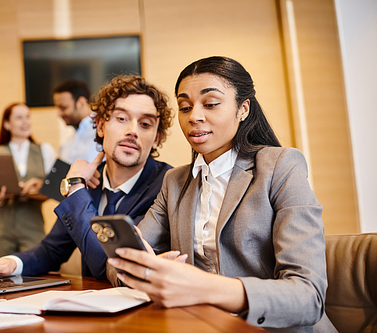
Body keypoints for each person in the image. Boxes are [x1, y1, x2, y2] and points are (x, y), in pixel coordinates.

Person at [107, 57, 337, 332]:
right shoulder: (175, 181)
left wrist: (204, 288)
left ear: (243, 109)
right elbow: (117, 263)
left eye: (211, 104)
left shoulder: (281, 166)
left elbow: (307, 297)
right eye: (185, 107)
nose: (194, 116)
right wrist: (146, 269)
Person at [0, 75, 174, 280]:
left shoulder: (166, 186)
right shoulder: (90, 181)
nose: (132, 131)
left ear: (156, 139)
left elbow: (109, 265)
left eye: (145, 124)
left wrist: (75, 188)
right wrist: (11, 263)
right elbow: (51, 250)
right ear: (101, 126)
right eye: (122, 119)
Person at [0, 102, 56, 257]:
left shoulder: (45, 151)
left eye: (27, 117)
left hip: (33, 226)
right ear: (7, 124)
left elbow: (55, 189)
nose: (25, 122)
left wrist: (38, 187)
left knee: (35, 273)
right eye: (19, 118)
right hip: (1, 229)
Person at [53, 79, 99, 164]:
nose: (59, 114)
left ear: (81, 103)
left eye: (63, 108)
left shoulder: (102, 134)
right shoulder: (68, 143)